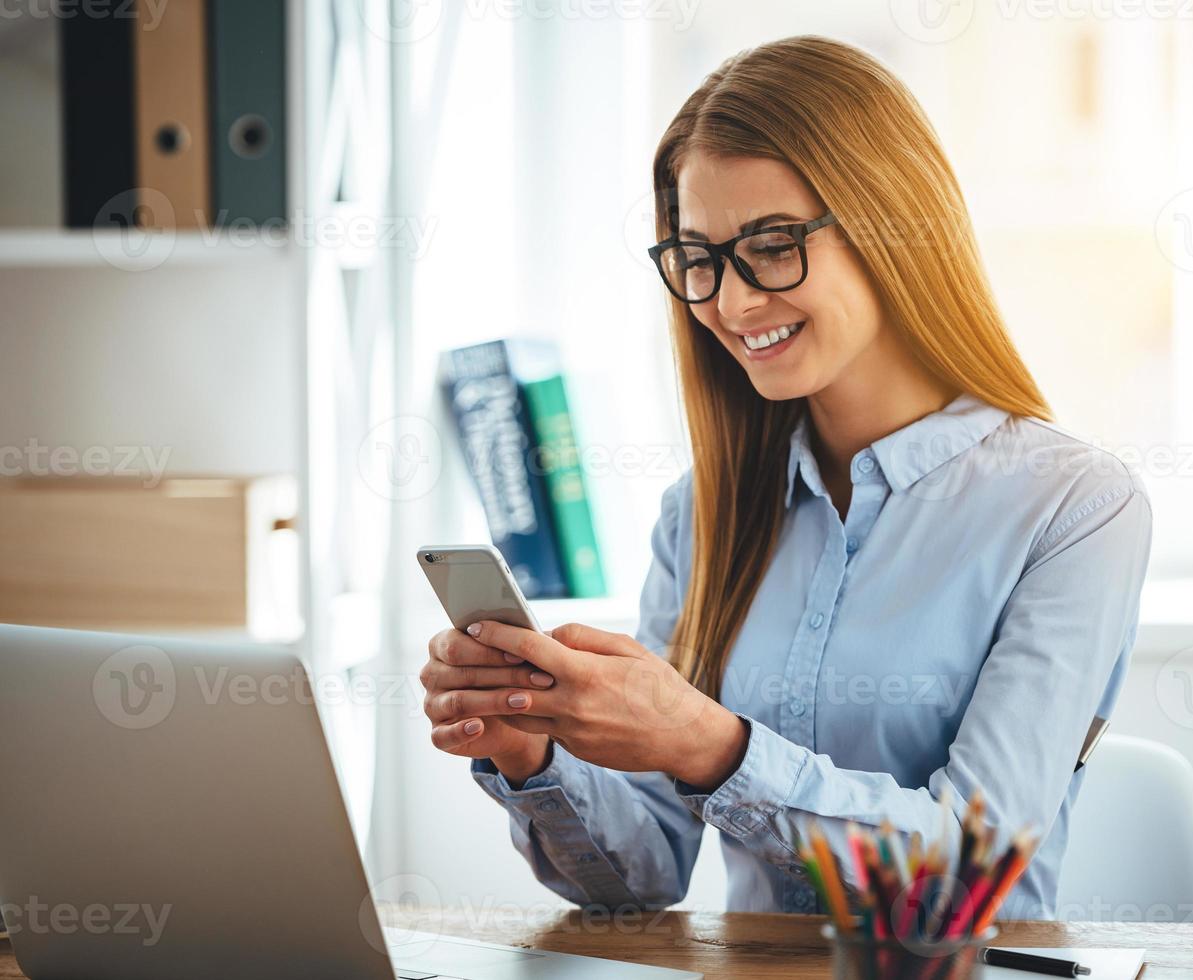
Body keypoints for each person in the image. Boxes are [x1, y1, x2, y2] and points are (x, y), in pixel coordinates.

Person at [420, 34, 1152, 919]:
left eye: (771, 244)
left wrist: (713, 746)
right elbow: (639, 877)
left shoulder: (1071, 509)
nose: (730, 303)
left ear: (891, 225)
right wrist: (530, 756)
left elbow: (970, 871)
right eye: (699, 259)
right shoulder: (701, 513)